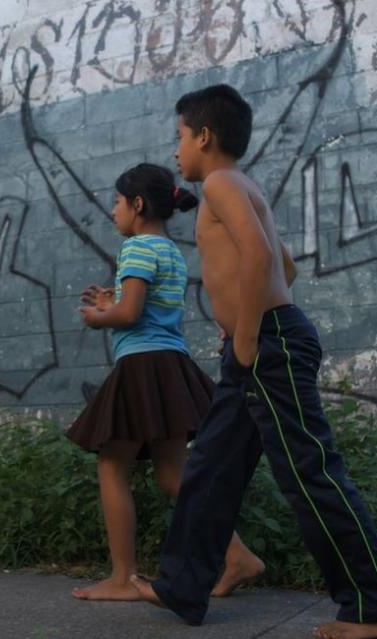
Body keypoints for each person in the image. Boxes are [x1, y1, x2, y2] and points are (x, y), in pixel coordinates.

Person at [130, 85, 377, 639]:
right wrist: (238, 326)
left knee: (309, 470)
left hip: (267, 346)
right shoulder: (239, 186)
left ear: (203, 137)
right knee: (209, 465)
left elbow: (259, 257)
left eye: (178, 137)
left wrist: (249, 333)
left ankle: (375, 605)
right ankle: (183, 583)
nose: (176, 150)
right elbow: (285, 265)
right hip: (258, 345)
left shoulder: (223, 184)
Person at [68, 162, 263, 602]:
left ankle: (123, 578)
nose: (113, 211)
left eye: (117, 202)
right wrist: (114, 300)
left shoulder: (136, 249)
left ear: (137, 205)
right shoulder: (170, 250)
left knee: (112, 464)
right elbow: (149, 306)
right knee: (174, 474)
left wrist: (101, 316)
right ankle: (237, 556)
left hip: (142, 365)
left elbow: (132, 315)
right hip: (169, 365)